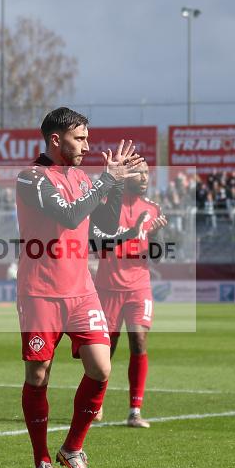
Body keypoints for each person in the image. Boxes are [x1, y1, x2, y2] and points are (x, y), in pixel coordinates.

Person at [15, 106, 142, 468]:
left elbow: (101, 223)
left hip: (81, 290)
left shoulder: (84, 178)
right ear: (56, 140)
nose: (87, 145)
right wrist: (107, 181)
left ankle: (72, 447)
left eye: (87, 137)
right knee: (38, 375)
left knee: (101, 368)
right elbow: (69, 217)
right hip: (40, 293)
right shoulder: (31, 178)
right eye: (80, 138)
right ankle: (41, 460)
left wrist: (115, 186)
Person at [92, 160, 168, 428]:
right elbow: (95, 244)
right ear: (126, 176)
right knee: (105, 351)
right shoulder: (107, 206)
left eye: (148, 173)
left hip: (139, 286)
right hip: (107, 287)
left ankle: (135, 410)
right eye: (140, 173)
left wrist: (156, 236)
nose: (145, 177)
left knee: (139, 341)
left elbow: (156, 257)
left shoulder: (152, 209)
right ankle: (95, 404)